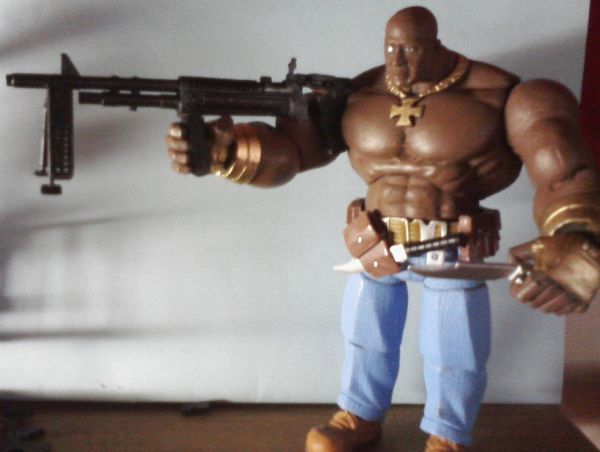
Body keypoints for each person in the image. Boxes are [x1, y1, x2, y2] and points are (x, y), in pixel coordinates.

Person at [166, 7, 600, 452]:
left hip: (451, 246)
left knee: (452, 350)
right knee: (364, 339)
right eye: (391, 49)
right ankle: (359, 414)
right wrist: (225, 152)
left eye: (410, 50)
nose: (397, 61)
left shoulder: (502, 95)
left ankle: (448, 434)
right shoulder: (358, 93)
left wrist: (577, 237)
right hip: (373, 239)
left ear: (435, 45)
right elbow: (293, 152)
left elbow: (565, 173)